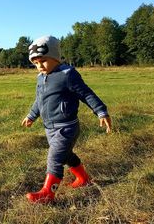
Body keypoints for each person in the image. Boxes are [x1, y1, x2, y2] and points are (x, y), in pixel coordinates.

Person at [21, 35, 112, 204]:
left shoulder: (67, 74)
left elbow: (86, 94)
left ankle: (48, 193)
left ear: (55, 57)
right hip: (50, 128)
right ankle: (83, 179)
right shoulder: (41, 78)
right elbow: (39, 99)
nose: (40, 66)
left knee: (55, 157)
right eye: (35, 63)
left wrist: (101, 111)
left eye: (43, 61)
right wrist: (32, 115)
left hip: (67, 127)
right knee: (67, 155)